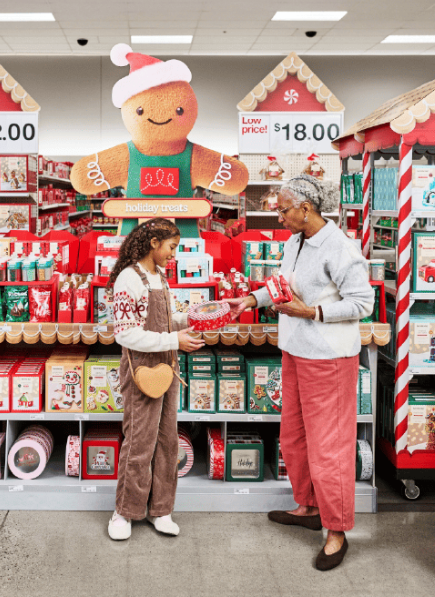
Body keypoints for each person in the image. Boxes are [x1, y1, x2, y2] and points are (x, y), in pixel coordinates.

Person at [228, 174, 374, 571]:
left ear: (306, 208)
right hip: (294, 351)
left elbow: (364, 303)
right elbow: (282, 287)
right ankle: (308, 506)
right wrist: (250, 300)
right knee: (293, 438)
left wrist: (312, 312)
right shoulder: (295, 241)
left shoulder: (341, 248)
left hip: (328, 359)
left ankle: (337, 530)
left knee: (329, 447)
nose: (278, 218)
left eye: (283, 210)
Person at [107, 218, 205, 540]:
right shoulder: (128, 279)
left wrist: (189, 318)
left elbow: (164, 320)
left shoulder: (159, 276)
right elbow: (126, 334)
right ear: (153, 244)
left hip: (168, 368)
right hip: (141, 372)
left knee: (167, 442)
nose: (173, 255)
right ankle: (124, 511)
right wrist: (174, 341)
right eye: (172, 247)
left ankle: (160, 509)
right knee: (139, 442)